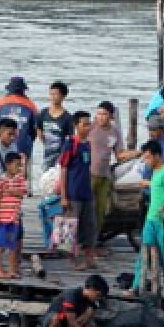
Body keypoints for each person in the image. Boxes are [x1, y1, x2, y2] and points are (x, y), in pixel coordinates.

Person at [129, 140, 164, 298]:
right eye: (145, 158)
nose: (146, 161)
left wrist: (163, 208)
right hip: (151, 219)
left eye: (148, 157)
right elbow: (158, 185)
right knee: (144, 252)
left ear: (157, 156)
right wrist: (148, 183)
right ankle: (137, 285)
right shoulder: (155, 172)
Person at [89, 101, 137, 252]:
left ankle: (94, 241)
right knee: (86, 209)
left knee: (101, 211)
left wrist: (137, 153)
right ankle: (83, 243)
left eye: (104, 114)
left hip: (104, 176)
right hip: (88, 174)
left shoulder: (114, 132)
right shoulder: (90, 127)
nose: (100, 117)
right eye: (98, 114)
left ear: (111, 116)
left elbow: (120, 155)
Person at [59, 111, 98, 270]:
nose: (88, 127)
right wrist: (63, 195)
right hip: (73, 193)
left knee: (89, 226)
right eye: (85, 124)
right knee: (70, 228)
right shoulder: (70, 144)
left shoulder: (87, 144)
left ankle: (89, 258)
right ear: (76, 126)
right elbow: (63, 169)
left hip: (86, 192)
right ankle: (72, 259)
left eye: (89, 124)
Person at [42, 275, 109, 327]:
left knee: (89, 311)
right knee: (57, 317)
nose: (99, 298)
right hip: (52, 325)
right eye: (98, 295)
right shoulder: (72, 295)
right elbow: (72, 324)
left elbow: (85, 324)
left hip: (68, 326)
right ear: (91, 289)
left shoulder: (92, 303)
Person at [0, 152, 28, 279]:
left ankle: (12, 269)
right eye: (17, 165)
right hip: (2, 218)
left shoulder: (20, 179)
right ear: (8, 165)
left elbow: (23, 193)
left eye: (20, 166)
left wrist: (12, 191)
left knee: (12, 245)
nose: (19, 168)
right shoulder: (1, 180)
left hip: (14, 218)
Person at [0, 76, 40, 171]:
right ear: (23, 90)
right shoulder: (31, 105)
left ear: (9, 89)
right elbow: (35, 131)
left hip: (2, 150)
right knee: (23, 181)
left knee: (1, 179)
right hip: (23, 150)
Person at [37, 81, 73, 172]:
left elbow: (70, 139)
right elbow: (39, 131)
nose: (53, 97)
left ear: (63, 96)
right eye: (51, 94)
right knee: (45, 179)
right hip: (47, 154)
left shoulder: (67, 117)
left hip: (61, 156)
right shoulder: (43, 113)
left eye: (56, 94)